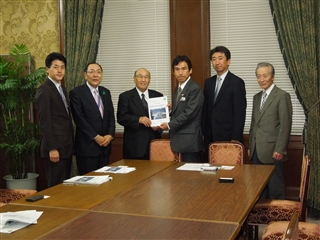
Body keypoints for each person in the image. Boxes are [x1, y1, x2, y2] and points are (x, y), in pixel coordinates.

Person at [248, 62, 292, 199]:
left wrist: (280, 149)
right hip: (256, 150)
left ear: (272, 76)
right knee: (259, 187)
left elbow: (285, 125)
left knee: (275, 186)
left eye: (265, 76)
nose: (262, 79)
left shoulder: (282, 96)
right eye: (259, 76)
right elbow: (254, 124)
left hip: (273, 150)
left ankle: (280, 217)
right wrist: (251, 146)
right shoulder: (256, 97)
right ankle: (262, 218)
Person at [35, 52, 74, 187]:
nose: (59, 70)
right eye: (56, 67)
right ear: (47, 69)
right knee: (55, 186)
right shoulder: (44, 90)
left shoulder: (61, 88)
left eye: (62, 67)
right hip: (55, 148)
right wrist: (52, 148)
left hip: (65, 147)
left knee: (64, 185)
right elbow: (45, 122)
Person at [69, 63, 115, 175]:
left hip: (105, 147)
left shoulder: (105, 92)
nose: (95, 75)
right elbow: (79, 119)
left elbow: (110, 116)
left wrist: (110, 135)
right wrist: (95, 137)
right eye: (91, 71)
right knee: (89, 184)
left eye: (98, 72)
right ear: (85, 75)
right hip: (87, 148)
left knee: (105, 182)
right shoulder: (76, 93)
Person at [202, 46, 246, 152]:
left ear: (228, 61)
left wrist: (235, 138)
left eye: (220, 58)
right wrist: (203, 133)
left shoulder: (236, 83)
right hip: (210, 136)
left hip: (228, 136)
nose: (217, 62)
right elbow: (205, 110)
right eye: (214, 59)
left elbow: (239, 113)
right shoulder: (209, 83)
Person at [160, 55, 203, 162]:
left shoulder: (194, 89)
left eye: (184, 69)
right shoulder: (178, 88)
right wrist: (170, 109)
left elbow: (189, 113)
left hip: (189, 141)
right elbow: (180, 110)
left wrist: (169, 125)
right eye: (177, 69)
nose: (180, 72)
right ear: (173, 72)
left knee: (190, 176)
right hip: (178, 139)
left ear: (190, 71)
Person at [117, 68, 163, 160]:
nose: (143, 80)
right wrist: (138, 119)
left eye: (146, 77)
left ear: (149, 79)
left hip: (154, 144)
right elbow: (121, 117)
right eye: (140, 77)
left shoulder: (158, 96)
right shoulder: (125, 96)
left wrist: (167, 110)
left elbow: (162, 117)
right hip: (134, 146)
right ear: (134, 79)